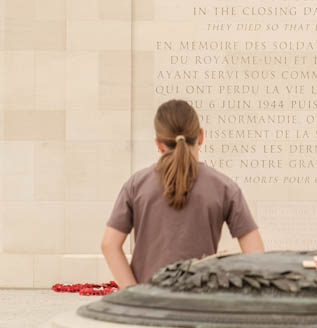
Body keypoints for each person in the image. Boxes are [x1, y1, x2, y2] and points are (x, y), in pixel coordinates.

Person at [101, 99, 264, 287]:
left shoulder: (136, 185)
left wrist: (132, 292)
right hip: (200, 304)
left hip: (147, 305)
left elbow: (109, 245)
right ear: (201, 136)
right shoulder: (224, 187)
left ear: (159, 144)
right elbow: (256, 254)